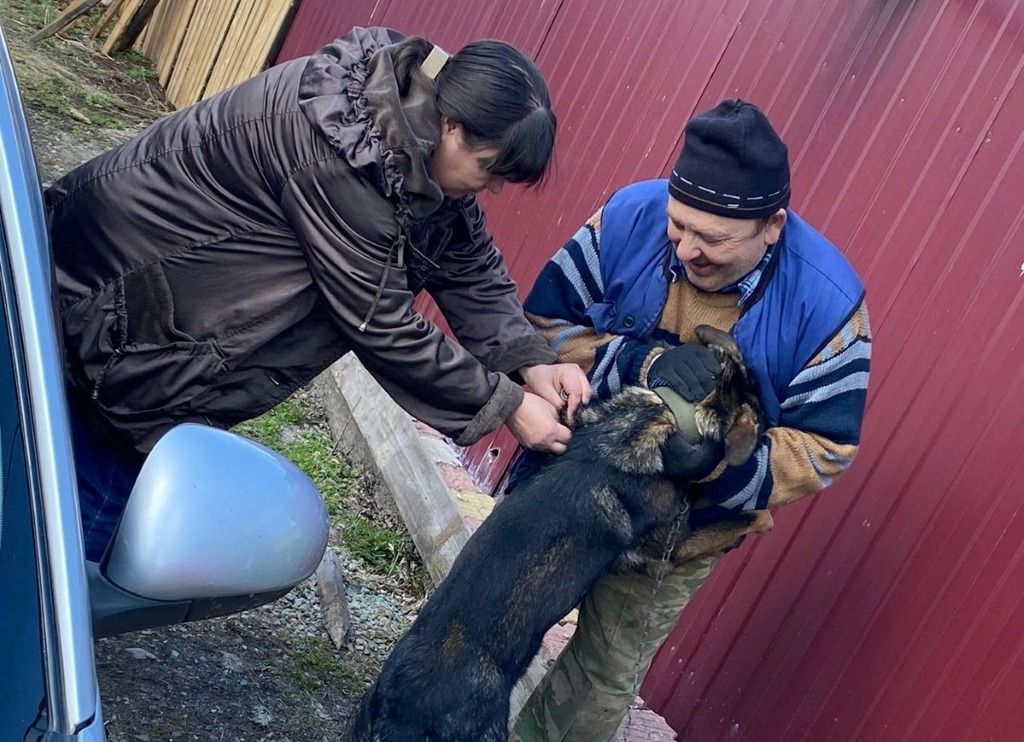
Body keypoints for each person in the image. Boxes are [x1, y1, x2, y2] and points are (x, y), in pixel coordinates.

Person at [47, 26, 590, 562]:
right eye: (490, 169)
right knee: (67, 536)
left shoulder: (397, 124)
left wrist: (530, 362)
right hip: (116, 318)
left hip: (144, 312)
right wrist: (508, 406)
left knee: (55, 491)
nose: (493, 189)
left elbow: (463, 255)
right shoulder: (344, 154)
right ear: (451, 124)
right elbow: (379, 320)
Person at [510, 99, 872, 740]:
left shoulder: (829, 305)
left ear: (773, 225)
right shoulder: (630, 217)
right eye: (680, 228)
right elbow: (540, 328)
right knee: (492, 620)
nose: (688, 250)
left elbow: (826, 448)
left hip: (681, 536)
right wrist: (637, 361)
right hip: (561, 480)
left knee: (601, 679)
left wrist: (720, 464)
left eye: (714, 238)